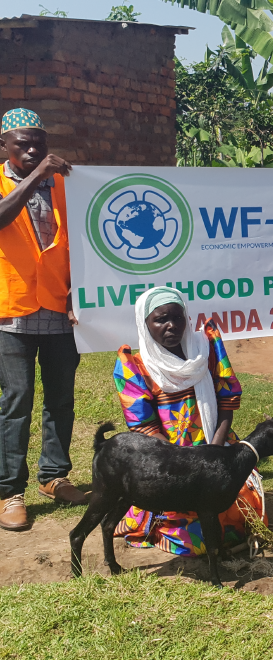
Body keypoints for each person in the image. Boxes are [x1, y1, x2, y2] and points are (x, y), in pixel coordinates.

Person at [113, 287, 266, 556]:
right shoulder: (134, 367)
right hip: (169, 461)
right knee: (198, 538)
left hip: (215, 447)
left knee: (245, 516)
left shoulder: (205, 349)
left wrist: (215, 454)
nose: (172, 326)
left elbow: (226, 402)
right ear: (144, 324)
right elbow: (143, 428)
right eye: (160, 319)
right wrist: (187, 464)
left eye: (178, 317)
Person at [0, 108, 85, 532]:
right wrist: (36, 176)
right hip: (11, 311)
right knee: (16, 402)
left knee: (61, 400)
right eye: (23, 144)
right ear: (4, 147)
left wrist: (83, 294)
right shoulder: (4, 181)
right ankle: (9, 492)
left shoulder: (65, 185)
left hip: (57, 308)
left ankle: (54, 477)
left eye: (39, 143)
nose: (33, 150)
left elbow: (85, 238)